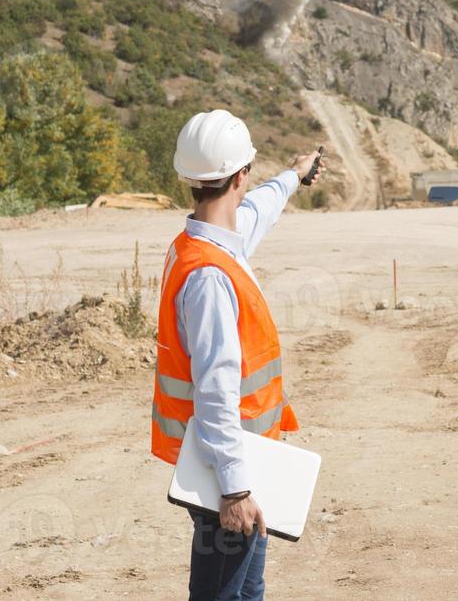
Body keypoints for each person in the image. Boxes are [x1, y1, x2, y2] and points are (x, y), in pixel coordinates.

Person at [150, 109, 327, 601]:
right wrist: (235, 491)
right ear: (241, 174)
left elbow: (254, 212)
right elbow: (215, 389)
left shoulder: (204, 245)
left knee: (249, 591)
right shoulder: (209, 277)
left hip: (243, 463)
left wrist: (293, 175)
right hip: (226, 472)